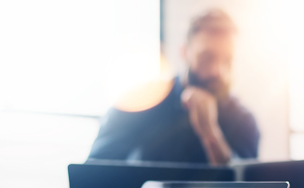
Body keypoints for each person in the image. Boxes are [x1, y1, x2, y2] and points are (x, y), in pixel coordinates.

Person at [88, 9, 259, 165]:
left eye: (227, 62)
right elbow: (93, 175)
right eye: (207, 58)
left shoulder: (243, 120)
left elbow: (248, 187)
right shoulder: (140, 101)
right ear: (184, 52)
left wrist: (210, 133)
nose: (218, 71)